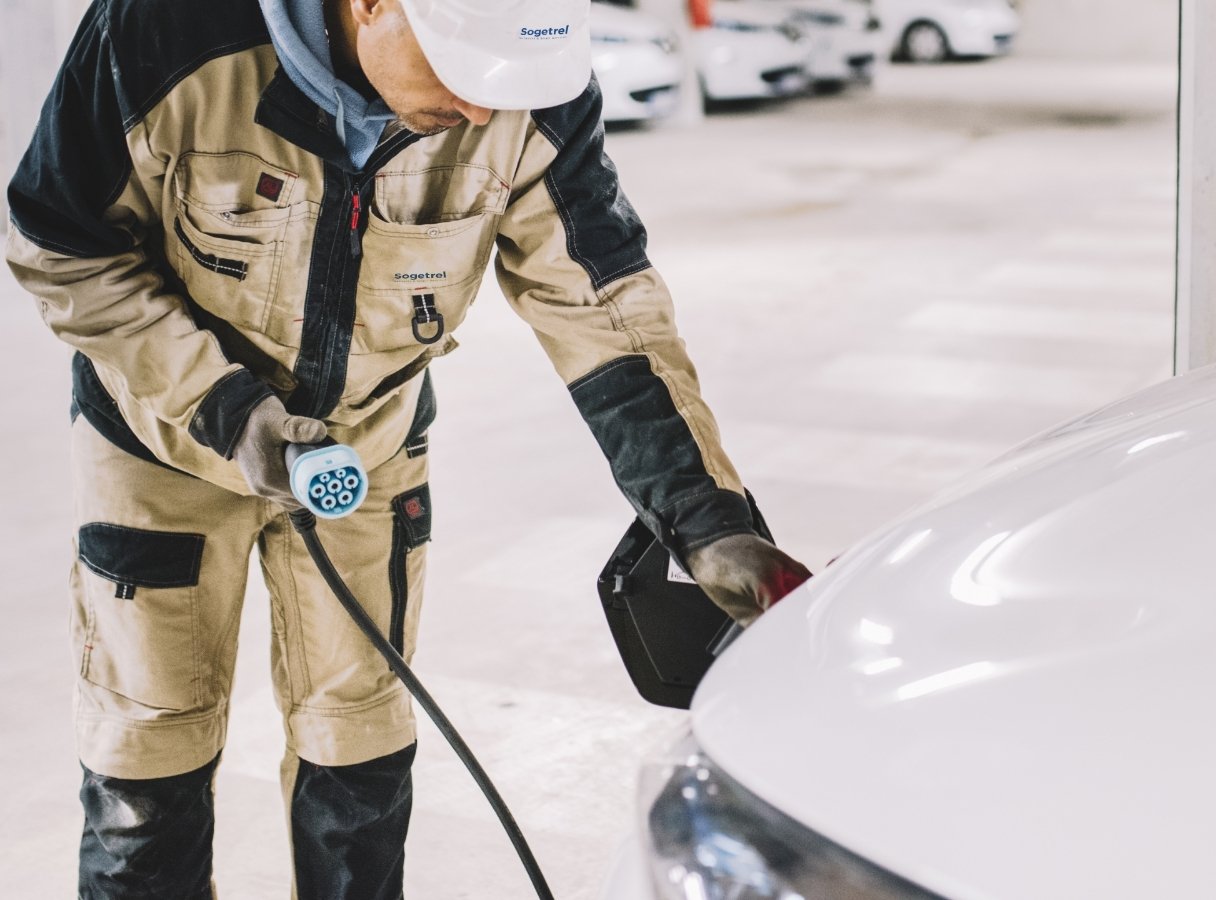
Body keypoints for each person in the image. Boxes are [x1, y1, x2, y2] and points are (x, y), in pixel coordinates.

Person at [4, 0, 812, 895]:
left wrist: (707, 523)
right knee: (148, 759)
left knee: (360, 748)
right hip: (161, 447)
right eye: (467, 74)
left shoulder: (528, 88)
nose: (480, 111)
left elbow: (600, 303)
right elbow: (59, 242)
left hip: (367, 449)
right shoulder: (163, 31)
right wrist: (226, 408)